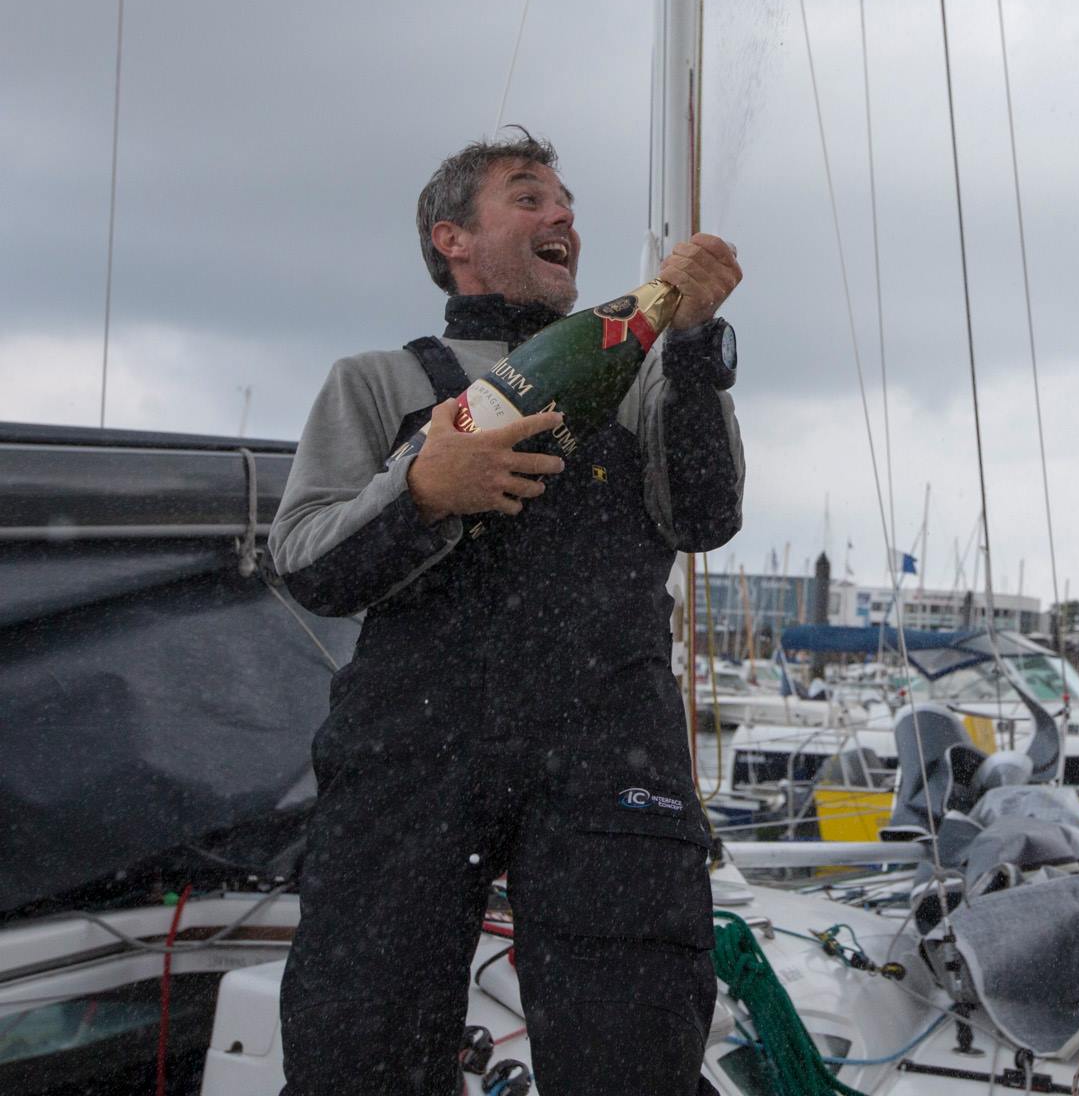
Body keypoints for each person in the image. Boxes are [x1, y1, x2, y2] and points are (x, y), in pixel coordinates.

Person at [270, 129, 744, 1095]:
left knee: (634, 1053)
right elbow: (310, 567)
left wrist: (692, 343)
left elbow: (705, 515)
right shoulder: (377, 382)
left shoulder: (650, 376)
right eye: (529, 197)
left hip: (613, 748)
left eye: (566, 201)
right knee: (359, 1046)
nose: (563, 214)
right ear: (451, 237)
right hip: (412, 748)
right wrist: (424, 490)